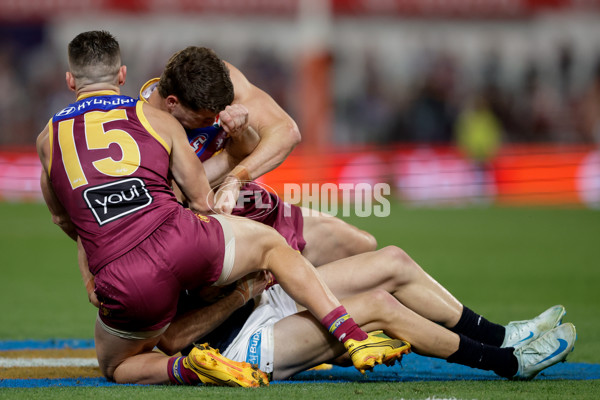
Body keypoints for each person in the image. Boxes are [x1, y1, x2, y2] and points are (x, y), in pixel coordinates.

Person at [36, 30, 409, 387]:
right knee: (275, 247)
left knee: (117, 364)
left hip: (125, 269)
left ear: (70, 81)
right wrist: (228, 180)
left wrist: (92, 273)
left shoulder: (48, 139)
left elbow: (65, 219)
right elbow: (199, 199)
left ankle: (187, 368)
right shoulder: (154, 118)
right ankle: (350, 334)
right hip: (190, 232)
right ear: (122, 74)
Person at [157, 246, 576, 381]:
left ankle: (502, 335)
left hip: (262, 299)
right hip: (236, 347)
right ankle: (510, 362)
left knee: (392, 260)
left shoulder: (180, 203)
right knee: (380, 306)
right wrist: (238, 294)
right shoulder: (140, 256)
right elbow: (171, 340)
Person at [141, 46, 377, 265]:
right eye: (205, 119)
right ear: (172, 103)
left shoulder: (216, 82)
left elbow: (286, 133)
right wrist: (232, 158)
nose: (214, 120)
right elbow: (180, 195)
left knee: (364, 245)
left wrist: (235, 179)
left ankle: (281, 296)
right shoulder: (139, 128)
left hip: (246, 202)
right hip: (209, 229)